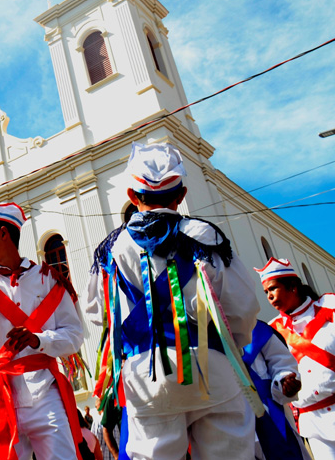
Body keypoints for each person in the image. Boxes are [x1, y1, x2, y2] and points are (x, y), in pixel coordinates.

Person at [85, 142, 259, 460]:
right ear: (181, 195)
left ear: (132, 195)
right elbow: (243, 307)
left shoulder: (112, 248)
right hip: (212, 366)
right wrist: (231, 345)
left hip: (146, 372)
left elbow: (98, 313)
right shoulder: (206, 235)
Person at [0, 202, 85, 460]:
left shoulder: (48, 278)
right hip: (2, 393)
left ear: (4, 233)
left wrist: (39, 340)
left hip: (46, 393)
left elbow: (74, 335)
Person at [257, 257, 335, 460]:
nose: (270, 296)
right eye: (266, 292)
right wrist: (283, 384)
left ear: (293, 286)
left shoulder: (330, 306)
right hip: (313, 423)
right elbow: (273, 373)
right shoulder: (272, 330)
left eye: (273, 289)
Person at [242, 319, 308, 460]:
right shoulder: (199, 340)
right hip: (231, 421)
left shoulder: (257, 329)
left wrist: (284, 381)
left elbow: (282, 363)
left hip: (272, 414)